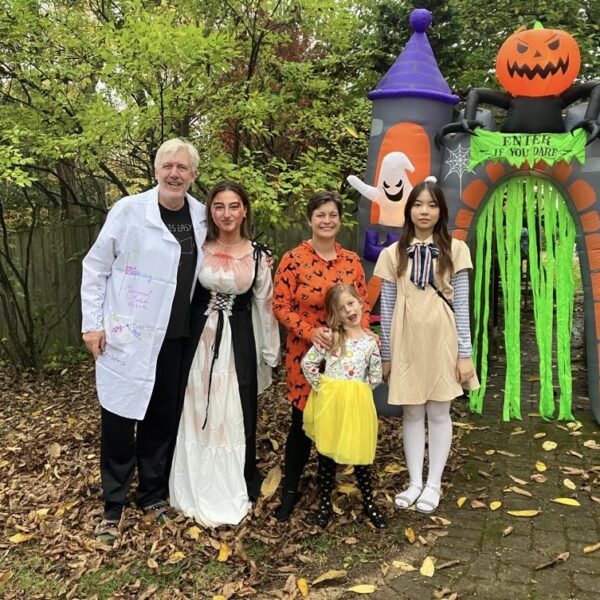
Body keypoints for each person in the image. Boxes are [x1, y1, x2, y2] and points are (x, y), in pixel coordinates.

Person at [80, 138, 207, 541]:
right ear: (156, 171)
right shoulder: (128, 211)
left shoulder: (202, 218)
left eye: (182, 168)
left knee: (160, 418)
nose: (174, 173)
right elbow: (95, 267)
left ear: (193, 175)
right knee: (118, 418)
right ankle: (113, 504)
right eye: (168, 165)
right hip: (126, 338)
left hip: (176, 338)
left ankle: (152, 492)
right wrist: (91, 324)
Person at [169, 181, 280, 527]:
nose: (227, 213)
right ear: (210, 212)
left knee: (232, 407)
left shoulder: (258, 255)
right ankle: (193, 480)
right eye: (219, 206)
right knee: (194, 404)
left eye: (234, 206)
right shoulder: (198, 248)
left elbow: (265, 305)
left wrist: (270, 353)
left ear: (244, 210)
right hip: (198, 342)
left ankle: (232, 482)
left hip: (238, 341)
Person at [374, 177, 479, 514]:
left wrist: (466, 353)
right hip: (406, 342)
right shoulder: (393, 253)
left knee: (438, 411)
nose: (424, 211)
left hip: (443, 341)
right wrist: (387, 355)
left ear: (440, 211)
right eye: (418, 204)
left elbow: (460, 304)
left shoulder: (456, 249)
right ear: (409, 209)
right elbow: (387, 307)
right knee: (411, 412)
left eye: (431, 205)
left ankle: (434, 484)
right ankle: (415, 481)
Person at [272, 191, 370, 521]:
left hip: (344, 360)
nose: (327, 221)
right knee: (301, 424)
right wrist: (309, 331)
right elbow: (280, 305)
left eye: (332, 215)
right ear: (310, 220)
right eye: (320, 215)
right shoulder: (293, 259)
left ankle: (330, 490)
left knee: (339, 420)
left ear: (340, 219)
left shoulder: (352, 262)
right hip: (306, 356)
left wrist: (359, 341)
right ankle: (290, 490)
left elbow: (363, 306)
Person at [301, 284, 385, 528]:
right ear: (334, 315)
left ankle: (369, 502)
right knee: (327, 455)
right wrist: (324, 388)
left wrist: (359, 392)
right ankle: (325, 504)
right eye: (341, 308)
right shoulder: (332, 337)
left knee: (359, 455)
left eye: (351, 303)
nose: (348, 310)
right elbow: (309, 364)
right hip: (332, 405)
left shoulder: (370, 341)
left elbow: (376, 375)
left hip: (356, 405)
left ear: (360, 303)